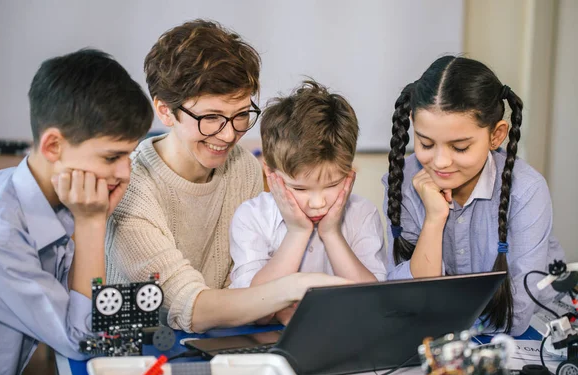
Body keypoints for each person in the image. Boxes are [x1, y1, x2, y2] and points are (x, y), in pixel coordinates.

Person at [105, 20, 348, 334]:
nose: (229, 134)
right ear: (165, 111)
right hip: (141, 348)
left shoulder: (243, 165)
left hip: (220, 336)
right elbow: (186, 304)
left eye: (241, 115)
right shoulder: (131, 186)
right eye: (211, 118)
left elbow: (245, 278)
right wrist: (291, 288)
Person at [0, 49, 153, 375]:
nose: (124, 173)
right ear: (54, 145)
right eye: (111, 157)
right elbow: (83, 341)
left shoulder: (55, 196)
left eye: (129, 156)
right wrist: (91, 224)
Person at [383, 55, 564, 336]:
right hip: (444, 338)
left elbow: (516, 315)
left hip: (536, 334)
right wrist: (434, 219)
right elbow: (401, 299)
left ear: (496, 135)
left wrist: (435, 315)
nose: (440, 162)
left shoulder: (527, 191)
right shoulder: (403, 183)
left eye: (460, 147)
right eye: (426, 143)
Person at [229, 80, 387, 324]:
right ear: (271, 174)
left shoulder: (362, 213)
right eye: (300, 188)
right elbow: (253, 311)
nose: (317, 202)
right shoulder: (251, 217)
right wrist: (298, 232)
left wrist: (332, 233)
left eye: (333, 185)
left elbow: (372, 304)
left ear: (349, 174)